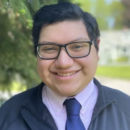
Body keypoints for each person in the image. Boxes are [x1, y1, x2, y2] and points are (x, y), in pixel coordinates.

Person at [0, 2, 130, 130]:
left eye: (77, 47)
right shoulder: (6, 117)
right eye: (50, 48)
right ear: (36, 54)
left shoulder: (127, 110)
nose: (63, 63)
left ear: (97, 48)